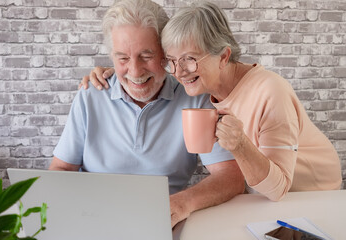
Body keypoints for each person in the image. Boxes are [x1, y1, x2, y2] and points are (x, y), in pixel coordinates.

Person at [86, 1, 342, 202]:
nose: (179, 71)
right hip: (266, 199)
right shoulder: (203, 90)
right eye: (172, 60)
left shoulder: (270, 90)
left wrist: (240, 145)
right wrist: (115, 73)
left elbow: (278, 189)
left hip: (315, 196)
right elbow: (139, 68)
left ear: (223, 56)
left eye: (189, 58)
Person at [50, 0, 245, 228]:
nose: (134, 71)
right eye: (123, 58)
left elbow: (231, 177)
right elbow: (61, 169)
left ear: (166, 52)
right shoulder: (90, 96)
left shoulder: (194, 98)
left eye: (146, 56)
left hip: (162, 223)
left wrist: (182, 203)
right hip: (93, 222)